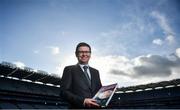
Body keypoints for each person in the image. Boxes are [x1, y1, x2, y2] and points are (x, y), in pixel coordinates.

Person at [60, 42, 102, 108]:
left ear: (90, 54)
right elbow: (64, 92)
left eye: (87, 52)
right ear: (76, 54)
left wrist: (109, 91)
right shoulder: (69, 69)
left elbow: (99, 90)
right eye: (81, 52)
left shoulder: (96, 72)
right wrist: (83, 101)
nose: (84, 54)